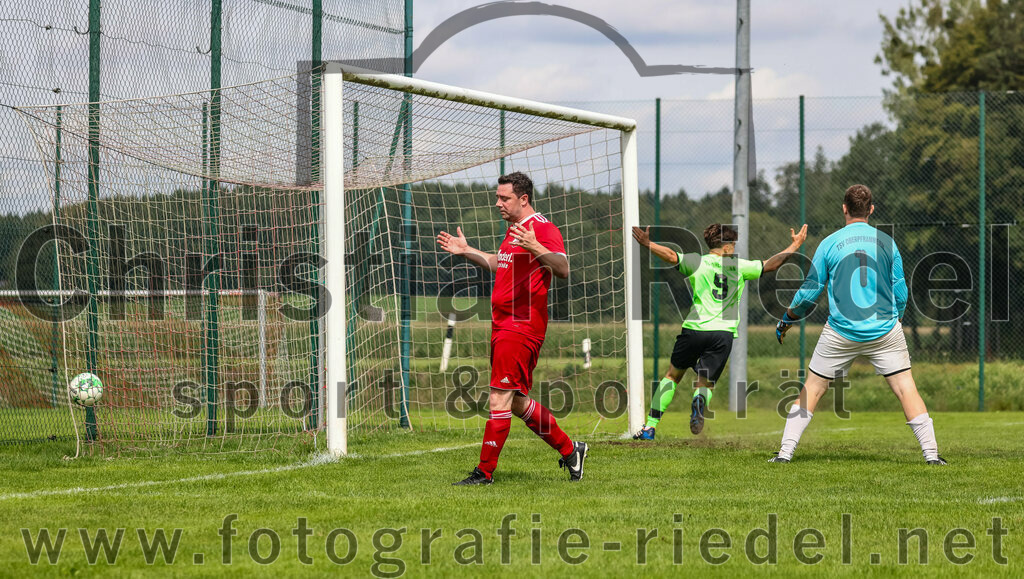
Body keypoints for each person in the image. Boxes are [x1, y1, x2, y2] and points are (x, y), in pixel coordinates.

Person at [772, 184, 945, 465]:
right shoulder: (887, 243)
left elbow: (809, 293)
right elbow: (900, 291)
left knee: (813, 388)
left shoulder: (829, 243)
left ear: (844, 208)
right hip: (884, 330)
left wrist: (788, 318)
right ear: (871, 209)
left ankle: (784, 454)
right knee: (905, 388)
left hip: (841, 331)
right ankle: (932, 456)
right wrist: (897, 318)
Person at [437, 171, 587, 485]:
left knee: (498, 399)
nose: (498, 203)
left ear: (524, 198)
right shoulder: (514, 230)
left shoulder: (541, 228)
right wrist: (466, 251)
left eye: (504, 198)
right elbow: (498, 262)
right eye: (497, 197)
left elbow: (562, 268)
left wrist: (535, 246)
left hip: (521, 325)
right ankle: (571, 450)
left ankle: (484, 473)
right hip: (503, 324)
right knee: (515, 400)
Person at [633, 222, 807, 439]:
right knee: (705, 384)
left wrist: (648, 243)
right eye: (733, 244)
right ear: (726, 246)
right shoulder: (739, 266)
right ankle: (699, 400)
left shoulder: (697, 262)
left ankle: (650, 427)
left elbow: (670, 255)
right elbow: (771, 264)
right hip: (722, 334)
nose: (734, 248)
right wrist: (795, 245)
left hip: (694, 329)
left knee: (672, 376)